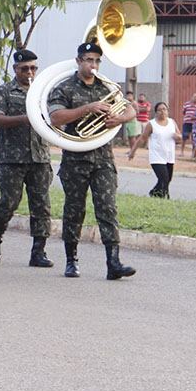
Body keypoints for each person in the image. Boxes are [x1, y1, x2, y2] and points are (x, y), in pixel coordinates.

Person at [48, 42, 136, 280]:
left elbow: (131, 110)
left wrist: (118, 119)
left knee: (108, 208)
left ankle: (113, 262)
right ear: (79, 62)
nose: (93, 65)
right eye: (88, 60)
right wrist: (88, 108)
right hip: (76, 159)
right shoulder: (64, 88)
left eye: (97, 60)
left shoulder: (107, 86)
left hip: (103, 159)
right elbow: (55, 117)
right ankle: (71, 259)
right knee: (75, 210)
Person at [0, 49, 53, 267]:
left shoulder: (43, 91)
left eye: (33, 68)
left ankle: (38, 252)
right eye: (25, 68)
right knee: (8, 204)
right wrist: (26, 118)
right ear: (15, 69)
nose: (30, 72)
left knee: (41, 205)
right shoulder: (4, 91)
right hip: (12, 159)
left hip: (39, 157)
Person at [128, 101, 179, 198]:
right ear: (156, 112)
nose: (162, 112)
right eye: (159, 110)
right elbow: (142, 138)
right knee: (164, 179)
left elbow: (179, 135)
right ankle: (166, 198)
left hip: (169, 156)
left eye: (164, 109)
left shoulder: (172, 122)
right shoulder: (152, 124)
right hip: (157, 157)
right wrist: (133, 151)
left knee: (168, 179)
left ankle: (154, 193)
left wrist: (178, 137)